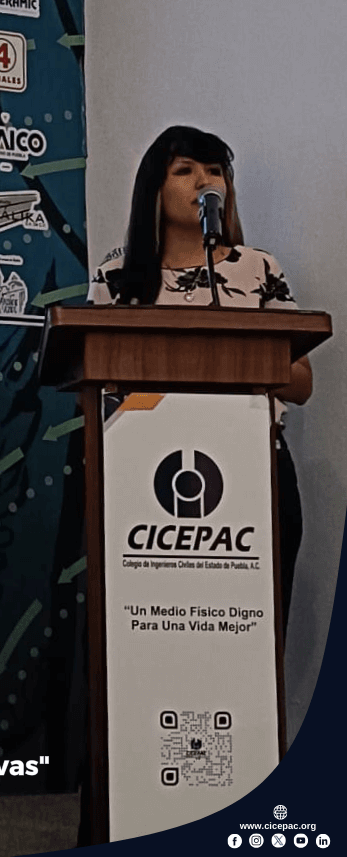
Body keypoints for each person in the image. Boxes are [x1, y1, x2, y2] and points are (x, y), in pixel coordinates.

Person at [87, 124, 311, 618]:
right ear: (154, 188)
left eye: (214, 171)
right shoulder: (117, 277)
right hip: (145, 471)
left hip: (255, 465)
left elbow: (301, 382)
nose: (204, 181)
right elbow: (97, 377)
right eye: (184, 171)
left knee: (255, 621)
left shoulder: (258, 268)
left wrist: (242, 362)